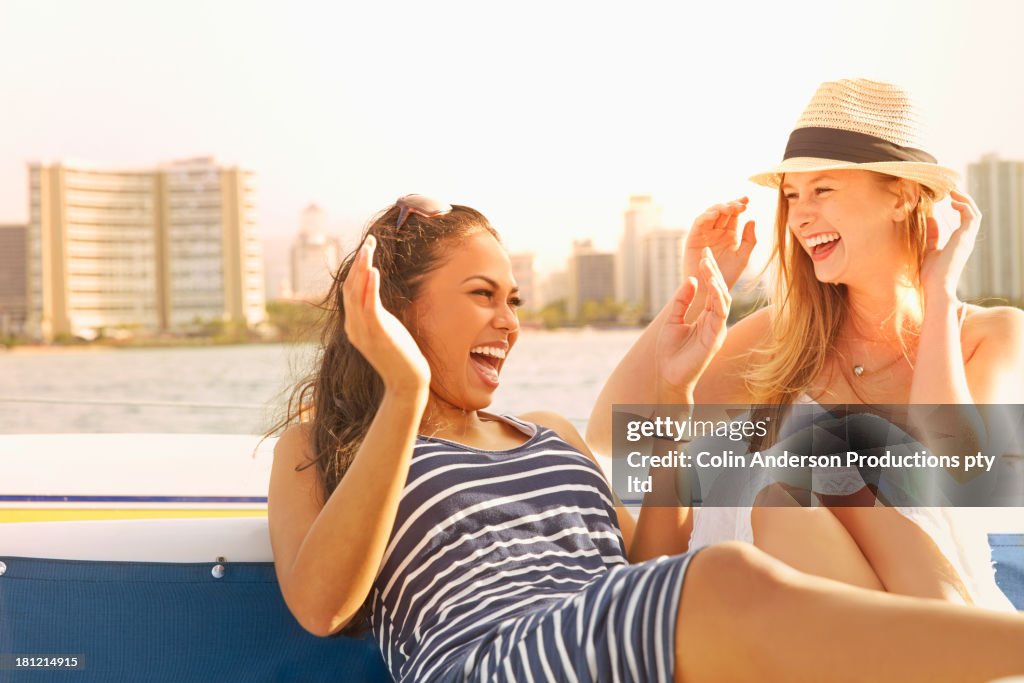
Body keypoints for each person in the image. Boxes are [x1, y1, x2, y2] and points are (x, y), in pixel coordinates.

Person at [268, 194, 1024, 682]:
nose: (509, 319)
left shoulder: (548, 434)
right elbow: (321, 606)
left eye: (514, 298)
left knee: (829, 459)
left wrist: (677, 391)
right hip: (492, 660)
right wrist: (405, 391)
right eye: (481, 296)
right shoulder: (319, 448)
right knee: (728, 575)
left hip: (613, 642)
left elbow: (651, 565)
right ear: (398, 311)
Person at [588, 78, 1024, 612]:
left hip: (930, 613)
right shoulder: (780, 335)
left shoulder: (989, 334)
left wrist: (937, 294)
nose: (799, 217)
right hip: (795, 626)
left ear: (903, 195)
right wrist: (697, 293)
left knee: (816, 464)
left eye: (822, 190)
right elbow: (614, 436)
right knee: (791, 483)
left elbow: (958, 470)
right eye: (792, 197)